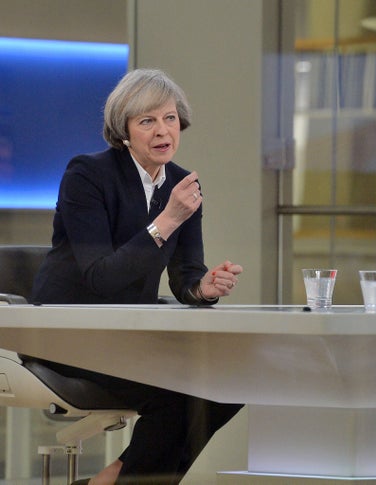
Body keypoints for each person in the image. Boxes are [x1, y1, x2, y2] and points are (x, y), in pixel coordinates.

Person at [30, 68, 244, 485]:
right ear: (124, 131)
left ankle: (109, 479)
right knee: (180, 395)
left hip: (128, 336)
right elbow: (101, 279)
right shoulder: (86, 176)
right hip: (68, 333)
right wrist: (167, 220)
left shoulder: (183, 184)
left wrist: (204, 287)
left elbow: (186, 274)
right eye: (146, 121)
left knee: (229, 383)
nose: (162, 130)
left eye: (168, 118)